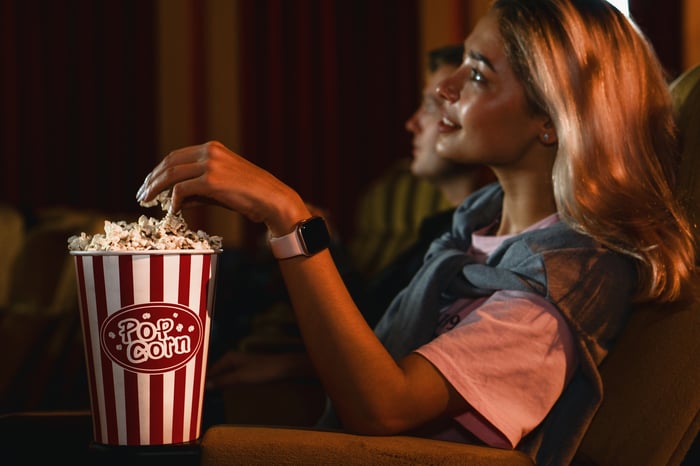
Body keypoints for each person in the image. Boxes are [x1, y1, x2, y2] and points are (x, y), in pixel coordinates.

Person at [136, 1, 695, 464]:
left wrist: (289, 219)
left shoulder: (564, 282)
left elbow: (384, 407)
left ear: (551, 118)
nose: (446, 87)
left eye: (477, 73)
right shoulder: (472, 226)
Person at [204, 44, 492, 390]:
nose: (413, 122)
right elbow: (378, 321)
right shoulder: (440, 231)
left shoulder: (477, 251)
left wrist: (299, 226)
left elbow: (387, 358)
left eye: (432, 105)